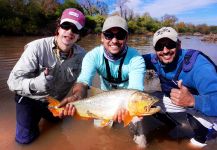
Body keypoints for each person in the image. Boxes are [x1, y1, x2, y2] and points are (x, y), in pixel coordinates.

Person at [59, 15, 147, 148]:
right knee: (99, 135)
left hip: (128, 102)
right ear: (101, 37)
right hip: (103, 99)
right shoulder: (93, 56)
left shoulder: (136, 59)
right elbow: (83, 82)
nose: (114, 40)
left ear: (127, 38)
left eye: (120, 35)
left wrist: (127, 109)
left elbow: (135, 91)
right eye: (108, 35)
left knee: (141, 144)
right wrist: (77, 96)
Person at [7, 8, 86, 144]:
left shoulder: (83, 56)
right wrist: (35, 83)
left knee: (57, 122)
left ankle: (49, 116)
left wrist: (78, 94)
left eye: (75, 29)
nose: (69, 32)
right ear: (59, 27)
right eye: (66, 26)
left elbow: (83, 82)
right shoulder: (36, 48)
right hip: (29, 99)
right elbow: (12, 82)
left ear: (79, 35)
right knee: (24, 141)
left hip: (55, 102)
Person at [143, 26, 217, 147]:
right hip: (178, 101)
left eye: (170, 44)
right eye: (159, 47)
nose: (165, 51)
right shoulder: (155, 60)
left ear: (179, 45)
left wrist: (193, 100)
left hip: (206, 107)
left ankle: (204, 137)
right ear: (155, 50)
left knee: (196, 144)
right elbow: (133, 59)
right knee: (149, 102)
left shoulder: (199, 66)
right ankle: (174, 126)